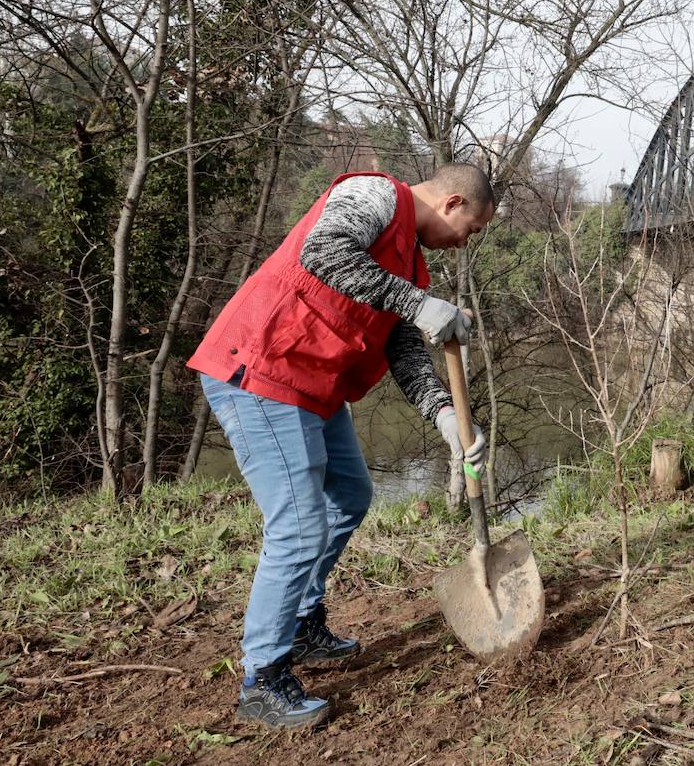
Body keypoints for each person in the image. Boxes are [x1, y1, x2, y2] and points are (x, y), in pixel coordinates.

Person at [187, 163, 496, 729]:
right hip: (262, 369)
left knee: (350, 495)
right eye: (471, 229)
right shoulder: (375, 195)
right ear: (452, 203)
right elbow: (324, 254)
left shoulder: (412, 265)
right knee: (299, 526)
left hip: (312, 388)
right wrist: (421, 304)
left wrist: (446, 417)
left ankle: (301, 624)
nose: (463, 243)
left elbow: (402, 349)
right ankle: (263, 679)